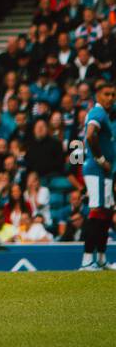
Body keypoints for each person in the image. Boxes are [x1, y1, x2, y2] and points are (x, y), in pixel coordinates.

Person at [80, 78, 115, 270]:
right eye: (107, 94)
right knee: (96, 212)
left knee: (106, 212)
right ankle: (87, 260)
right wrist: (101, 160)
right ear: (98, 96)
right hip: (97, 170)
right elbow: (90, 135)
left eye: (113, 95)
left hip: (104, 172)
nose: (110, 98)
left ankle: (101, 259)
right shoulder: (97, 112)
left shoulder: (104, 114)